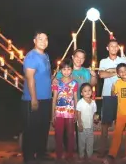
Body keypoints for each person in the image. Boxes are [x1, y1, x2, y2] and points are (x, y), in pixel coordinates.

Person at [53, 49, 98, 151]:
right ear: (73, 57)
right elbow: (55, 81)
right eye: (77, 56)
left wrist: (94, 75)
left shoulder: (86, 71)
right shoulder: (65, 70)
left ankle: (79, 150)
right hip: (66, 105)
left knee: (80, 129)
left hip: (81, 105)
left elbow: (92, 84)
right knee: (65, 131)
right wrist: (53, 79)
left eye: (82, 58)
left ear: (84, 60)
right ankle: (66, 150)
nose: (79, 59)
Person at [21, 32, 52, 164]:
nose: (43, 41)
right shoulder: (31, 57)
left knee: (43, 127)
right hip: (32, 99)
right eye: (40, 39)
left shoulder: (45, 55)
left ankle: (40, 153)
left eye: (46, 39)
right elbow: (30, 78)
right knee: (31, 128)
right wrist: (34, 98)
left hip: (46, 98)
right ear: (34, 40)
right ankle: (28, 156)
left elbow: (45, 76)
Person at [103, 63, 126, 163]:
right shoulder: (117, 83)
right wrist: (112, 89)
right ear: (118, 74)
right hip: (120, 114)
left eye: (125, 70)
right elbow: (113, 97)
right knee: (117, 135)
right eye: (120, 71)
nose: (123, 72)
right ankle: (112, 154)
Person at [98, 39, 126, 157]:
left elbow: (125, 74)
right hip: (108, 95)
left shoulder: (123, 60)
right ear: (107, 48)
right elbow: (101, 74)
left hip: (122, 95)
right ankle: (102, 150)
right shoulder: (103, 61)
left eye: (116, 46)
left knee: (119, 124)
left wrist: (110, 71)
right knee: (105, 123)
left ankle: (116, 150)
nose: (114, 48)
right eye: (111, 46)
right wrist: (117, 71)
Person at [51, 59, 78, 162]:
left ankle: (70, 155)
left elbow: (75, 98)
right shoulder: (57, 83)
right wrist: (52, 114)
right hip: (58, 112)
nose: (66, 71)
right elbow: (54, 99)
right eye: (64, 69)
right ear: (61, 70)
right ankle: (59, 155)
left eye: (68, 69)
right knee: (58, 134)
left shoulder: (74, 83)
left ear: (71, 70)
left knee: (70, 134)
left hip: (70, 112)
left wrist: (76, 112)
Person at [76, 83, 97, 162]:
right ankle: (81, 156)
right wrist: (80, 124)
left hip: (90, 126)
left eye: (89, 90)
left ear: (92, 91)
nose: (87, 92)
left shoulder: (93, 102)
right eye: (85, 91)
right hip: (82, 126)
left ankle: (89, 156)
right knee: (81, 143)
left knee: (90, 143)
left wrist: (95, 118)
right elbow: (78, 114)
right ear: (81, 93)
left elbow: (94, 113)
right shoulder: (80, 103)